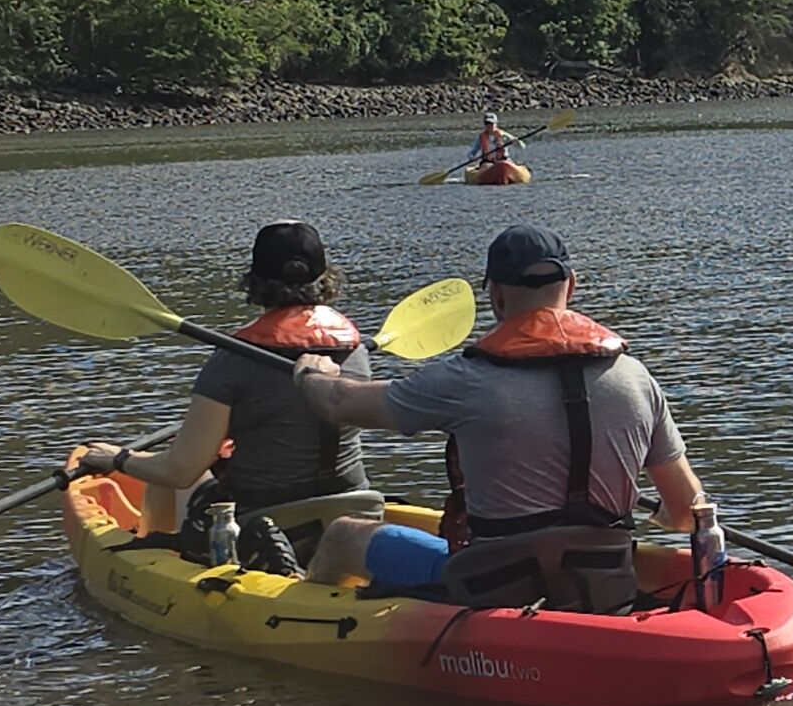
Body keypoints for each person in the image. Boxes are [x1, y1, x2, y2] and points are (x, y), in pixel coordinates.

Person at [294, 224, 708, 612]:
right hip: (601, 586)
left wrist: (313, 374)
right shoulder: (636, 378)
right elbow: (687, 512)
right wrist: (659, 514)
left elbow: (338, 403)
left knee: (343, 536)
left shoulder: (466, 380)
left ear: (495, 295)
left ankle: (301, 628)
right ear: (572, 285)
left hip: (492, 588)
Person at [67, 220, 378, 561]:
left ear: (255, 281)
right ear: (325, 278)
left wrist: (118, 459)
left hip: (264, 520)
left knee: (168, 468)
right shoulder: (355, 349)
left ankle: (152, 554)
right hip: (352, 509)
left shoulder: (233, 360)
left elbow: (180, 470)